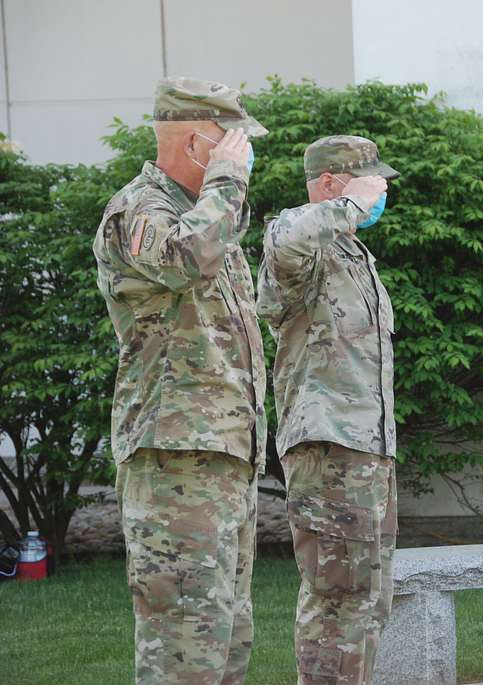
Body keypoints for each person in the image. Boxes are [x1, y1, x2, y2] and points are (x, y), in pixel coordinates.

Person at [92, 77, 268, 684]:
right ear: (198, 141)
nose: (243, 156)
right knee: (183, 644)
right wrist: (226, 180)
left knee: (224, 637)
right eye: (234, 144)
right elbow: (186, 260)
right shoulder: (141, 209)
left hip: (220, 455)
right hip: (176, 457)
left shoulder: (207, 217)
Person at [257, 135, 399, 684]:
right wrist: (348, 206)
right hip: (330, 446)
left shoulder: (352, 253)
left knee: (368, 600)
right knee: (337, 597)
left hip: (368, 449)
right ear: (332, 183)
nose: (382, 190)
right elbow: (286, 240)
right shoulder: (301, 237)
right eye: (370, 180)